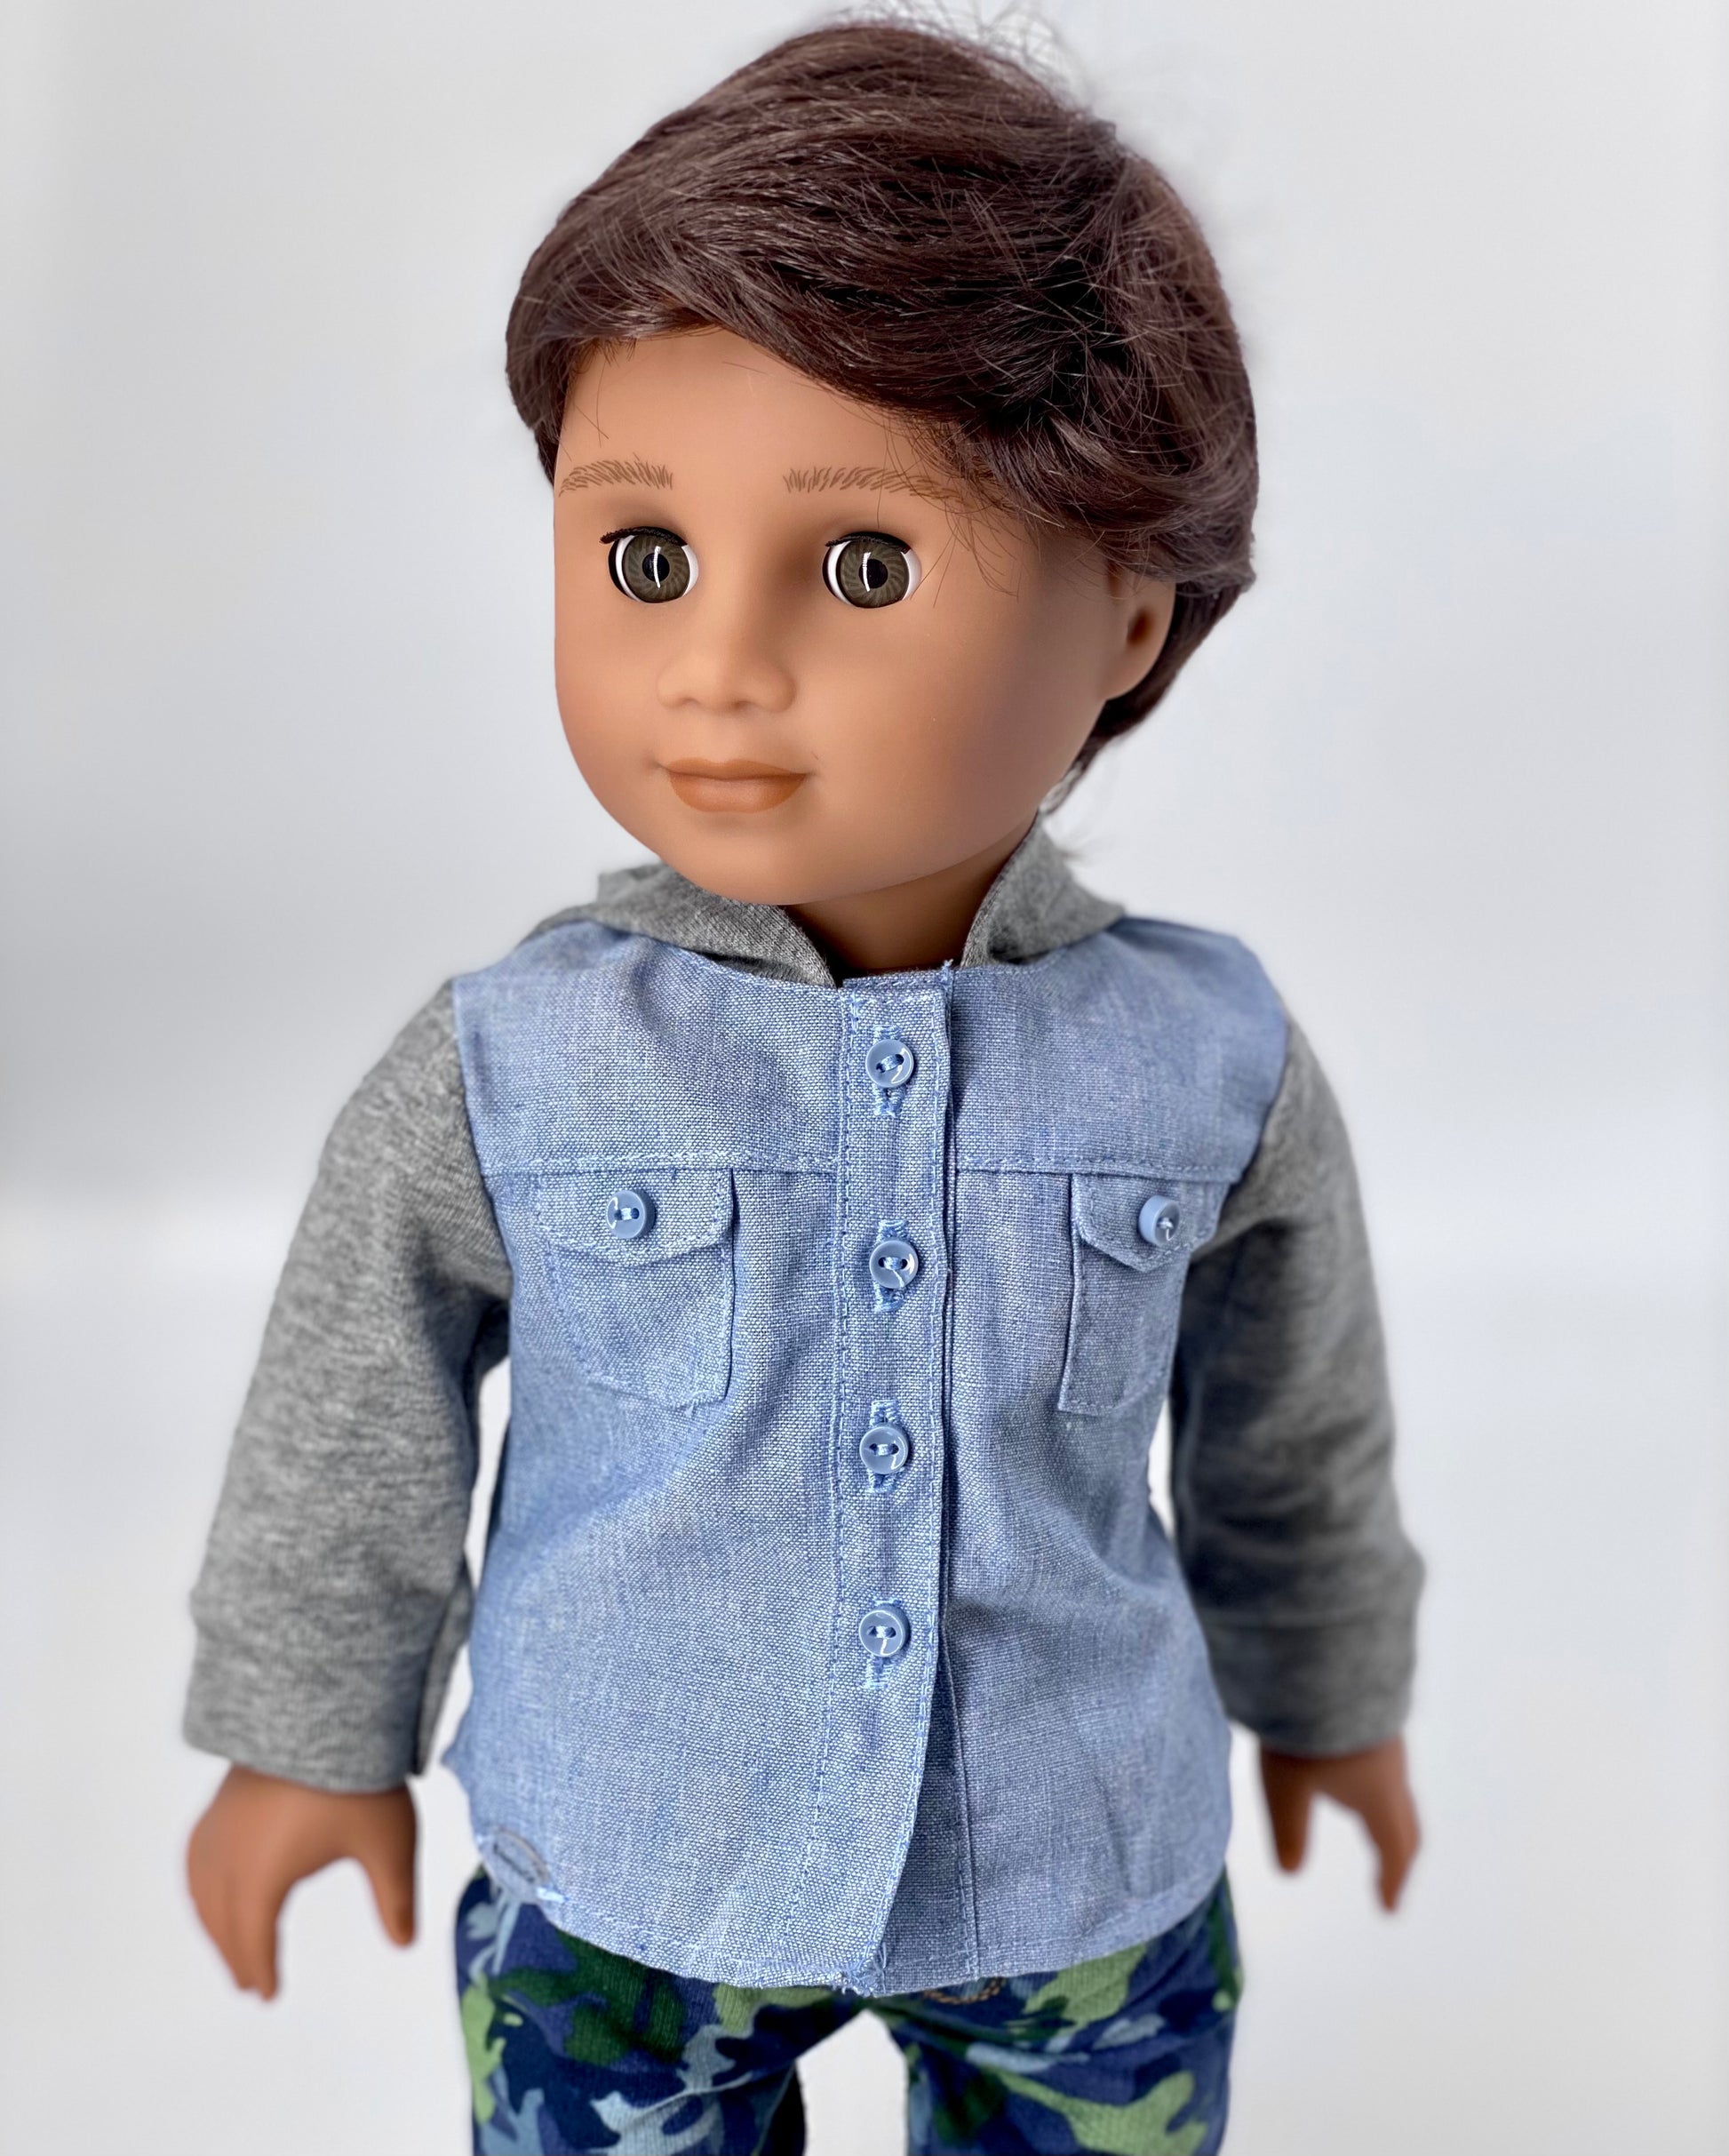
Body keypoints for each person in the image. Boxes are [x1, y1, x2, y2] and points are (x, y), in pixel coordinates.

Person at [182, 22, 1422, 2153]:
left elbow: (1290, 1432)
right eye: (643, 557)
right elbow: (351, 1413)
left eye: (863, 568)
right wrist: (308, 1734)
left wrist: (1331, 1694)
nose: (716, 666)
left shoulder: (1206, 1057)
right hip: (628, 1863)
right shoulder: (512, 1061)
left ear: (1129, 615)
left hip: (1074, 1867)